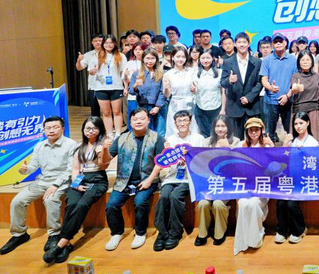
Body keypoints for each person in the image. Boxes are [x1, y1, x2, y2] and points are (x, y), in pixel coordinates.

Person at [0, 116, 77, 255]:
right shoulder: (40, 146)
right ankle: (19, 234)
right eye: (48, 128)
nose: (51, 130)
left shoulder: (71, 145)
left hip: (61, 182)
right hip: (42, 181)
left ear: (62, 129)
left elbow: (70, 170)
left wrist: (55, 185)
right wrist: (25, 170)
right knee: (17, 201)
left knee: (50, 199)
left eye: (55, 127)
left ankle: (54, 234)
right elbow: (33, 166)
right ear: (44, 130)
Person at [43, 116, 112, 264]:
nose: (90, 131)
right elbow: (75, 169)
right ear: (83, 130)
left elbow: (104, 165)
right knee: (72, 203)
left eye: (94, 128)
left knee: (82, 205)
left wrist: (104, 149)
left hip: (97, 180)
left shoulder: (102, 146)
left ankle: (61, 243)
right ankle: (66, 244)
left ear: (100, 130)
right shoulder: (79, 146)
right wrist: (75, 184)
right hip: (80, 179)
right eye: (87, 128)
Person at [104, 107, 165, 251]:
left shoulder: (157, 138)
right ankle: (116, 233)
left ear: (148, 120)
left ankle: (140, 232)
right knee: (111, 205)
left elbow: (160, 162)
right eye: (135, 119)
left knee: (140, 201)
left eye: (142, 118)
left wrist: (149, 180)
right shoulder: (122, 138)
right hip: (123, 181)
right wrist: (105, 149)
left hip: (147, 179)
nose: (138, 121)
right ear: (130, 122)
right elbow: (106, 160)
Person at [153, 111, 207, 252]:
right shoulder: (170, 139)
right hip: (172, 176)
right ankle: (162, 233)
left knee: (175, 196)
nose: (182, 123)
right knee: (164, 197)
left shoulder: (198, 138)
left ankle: (175, 233)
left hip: (189, 178)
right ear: (175, 124)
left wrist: (188, 157)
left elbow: (202, 160)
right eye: (179, 121)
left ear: (190, 121)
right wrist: (168, 154)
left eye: (185, 120)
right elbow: (164, 162)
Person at [195, 115, 239, 246]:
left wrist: (229, 148)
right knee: (203, 203)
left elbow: (238, 164)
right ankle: (202, 233)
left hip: (227, 184)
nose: (220, 129)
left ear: (228, 127)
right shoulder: (206, 142)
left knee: (218, 204)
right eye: (217, 126)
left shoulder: (236, 141)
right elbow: (200, 160)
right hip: (209, 183)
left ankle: (219, 234)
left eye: (223, 126)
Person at [275, 112, 319, 245]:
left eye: (301, 123)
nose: (298, 126)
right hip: (290, 180)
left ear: (308, 123)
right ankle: (282, 230)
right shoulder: (291, 140)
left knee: (291, 203)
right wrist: (285, 145)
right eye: (295, 124)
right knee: (281, 201)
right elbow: (283, 160)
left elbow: (314, 166)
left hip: (305, 181)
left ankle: (299, 230)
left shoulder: (313, 142)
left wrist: (303, 153)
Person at [233, 117, 275, 255]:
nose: (254, 133)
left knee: (254, 204)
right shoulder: (241, 145)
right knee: (243, 204)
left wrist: (272, 147)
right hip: (246, 186)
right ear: (247, 131)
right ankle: (244, 240)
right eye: (251, 130)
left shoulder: (266, 145)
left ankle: (256, 237)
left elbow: (275, 165)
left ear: (261, 130)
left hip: (262, 185)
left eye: (256, 129)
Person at [220, 32, 263, 140]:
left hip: (252, 106)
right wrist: (229, 80)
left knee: (254, 140)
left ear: (248, 44)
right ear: (235, 44)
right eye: (239, 42)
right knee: (235, 141)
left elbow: (260, 82)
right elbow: (222, 82)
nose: (242, 44)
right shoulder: (227, 62)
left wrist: (249, 97)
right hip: (234, 107)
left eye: (244, 42)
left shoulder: (257, 62)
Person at [260, 34, 297, 144]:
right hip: (271, 101)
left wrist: (287, 95)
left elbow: (295, 81)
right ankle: (268, 152)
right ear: (272, 45)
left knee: (290, 131)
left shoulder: (293, 59)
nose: (278, 44)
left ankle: (291, 152)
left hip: (288, 100)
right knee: (269, 132)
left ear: (285, 43)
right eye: (275, 42)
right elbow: (264, 79)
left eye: (280, 41)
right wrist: (270, 87)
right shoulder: (267, 60)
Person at [163, 44, 199, 138]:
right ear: (173, 57)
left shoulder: (192, 72)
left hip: (190, 104)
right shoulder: (168, 74)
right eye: (178, 56)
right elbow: (167, 95)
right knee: (175, 132)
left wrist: (195, 90)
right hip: (175, 105)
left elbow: (196, 89)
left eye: (183, 57)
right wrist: (166, 88)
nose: (180, 59)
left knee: (192, 130)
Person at [94, 35, 127, 137]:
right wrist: (93, 71)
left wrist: (126, 87)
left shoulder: (121, 56)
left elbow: (124, 73)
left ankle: (118, 133)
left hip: (117, 87)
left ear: (115, 44)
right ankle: (109, 134)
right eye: (106, 43)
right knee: (106, 113)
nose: (108, 45)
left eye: (111, 43)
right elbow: (91, 71)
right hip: (101, 87)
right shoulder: (97, 55)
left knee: (117, 111)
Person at [129, 47, 166, 132]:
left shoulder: (161, 74)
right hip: (142, 106)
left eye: (152, 58)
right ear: (143, 59)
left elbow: (162, 91)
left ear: (156, 60)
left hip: (158, 107)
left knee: (159, 131)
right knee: (144, 130)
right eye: (147, 58)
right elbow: (131, 91)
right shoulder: (137, 74)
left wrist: (157, 107)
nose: (150, 61)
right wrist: (136, 85)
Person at [289, 50, 319, 143]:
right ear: (299, 62)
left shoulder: (316, 76)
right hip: (299, 109)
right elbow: (294, 89)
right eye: (302, 60)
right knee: (298, 137)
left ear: (312, 61)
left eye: (308, 60)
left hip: (314, 110)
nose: (305, 62)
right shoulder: (295, 76)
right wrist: (297, 89)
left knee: (315, 138)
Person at [191, 49, 225, 138]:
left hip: (216, 107)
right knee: (204, 134)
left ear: (213, 58)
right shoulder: (195, 73)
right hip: (201, 108)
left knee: (217, 134)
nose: (205, 60)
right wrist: (193, 90)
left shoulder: (220, 73)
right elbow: (194, 91)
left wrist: (223, 109)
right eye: (203, 58)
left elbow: (223, 92)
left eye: (208, 58)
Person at [76, 34, 104, 116]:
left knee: (108, 111)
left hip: (107, 86)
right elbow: (79, 68)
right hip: (93, 86)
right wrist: (78, 60)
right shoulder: (88, 55)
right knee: (94, 111)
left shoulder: (109, 53)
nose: (98, 42)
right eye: (95, 41)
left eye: (100, 41)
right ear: (92, 42)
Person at [123, 43, 145, 122]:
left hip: (145, 94)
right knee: (132, 114)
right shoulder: (130, 63)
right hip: (133, 93)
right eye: (136, 50)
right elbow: (125, 79)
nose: (138, 51)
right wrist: (126, 88)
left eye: (140, 49)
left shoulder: (148, 62)